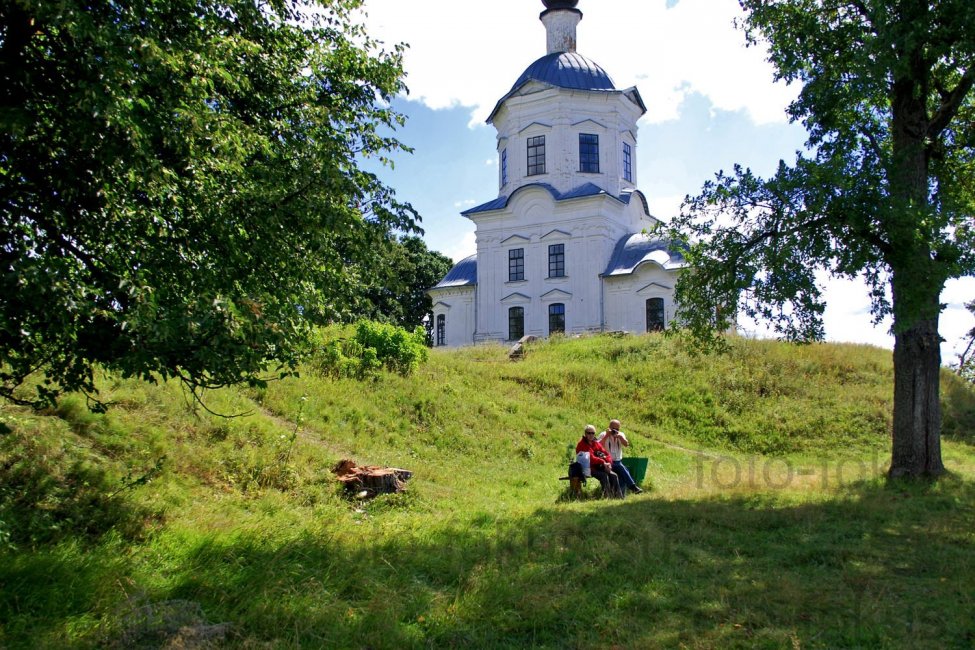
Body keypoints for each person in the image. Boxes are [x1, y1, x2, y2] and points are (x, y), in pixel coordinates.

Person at [575, 424, 622, 498]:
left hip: (600, 466)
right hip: (588, 468)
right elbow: (591, 458)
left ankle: (618, 497)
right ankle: (607, 496)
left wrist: (608, 464)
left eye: (592, 433)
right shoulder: (582, 444)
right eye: (589, 433)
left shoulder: (596, 443)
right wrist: (603, 462)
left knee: (614, 475)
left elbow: (607, 454)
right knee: (604, 475)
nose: (591, 435)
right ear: (585, 434)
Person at [598, 419, 643, 495]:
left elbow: (626, 444)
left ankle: (620, 494)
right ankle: (633, 487)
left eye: (617, 429)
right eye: (613, 429)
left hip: (618, 461)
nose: (615, 430)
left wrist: (620, 437)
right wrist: (607, 435)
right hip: (607, 462)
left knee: (623, 473)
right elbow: (598, 445)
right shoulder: (603, 434)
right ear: (609, 427)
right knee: (622, 469)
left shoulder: (621, 434)